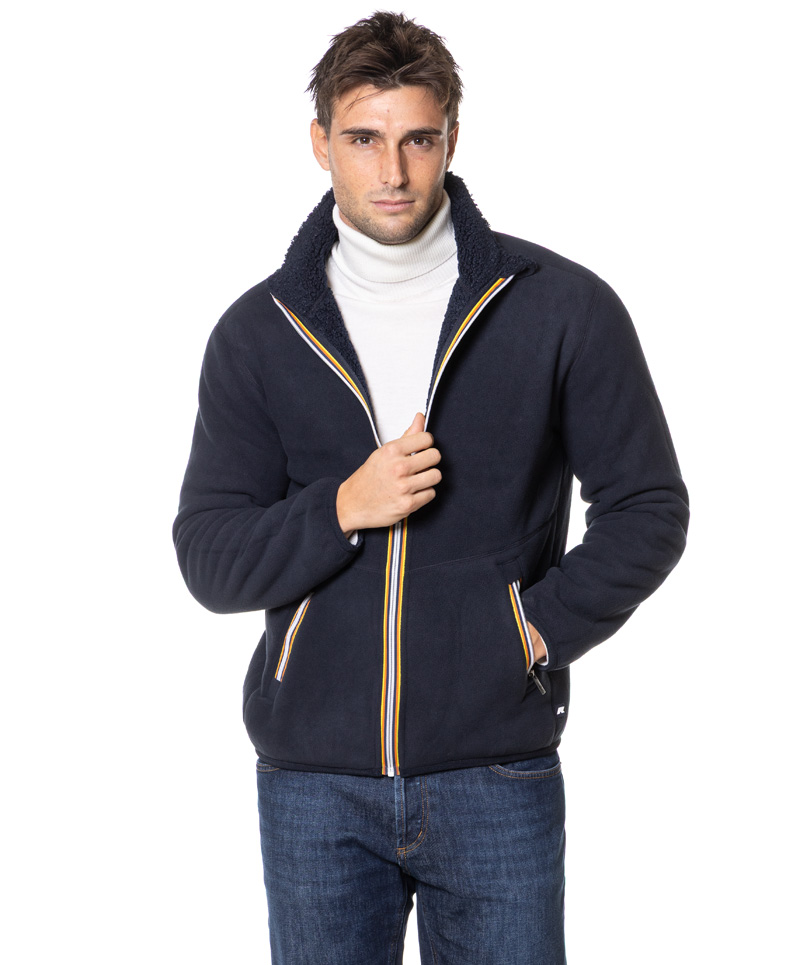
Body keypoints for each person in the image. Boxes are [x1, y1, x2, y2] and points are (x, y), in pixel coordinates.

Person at [172, 11, 690, 964]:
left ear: (453, 136)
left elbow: (648, 508)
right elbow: (209, 557)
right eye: (363, 139)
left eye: (417, 139)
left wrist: (531, 631)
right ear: (320, 142)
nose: (393, 171)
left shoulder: (560, 307)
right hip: (315, 784)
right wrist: (342, 508)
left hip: (497, 773)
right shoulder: (259, 332)